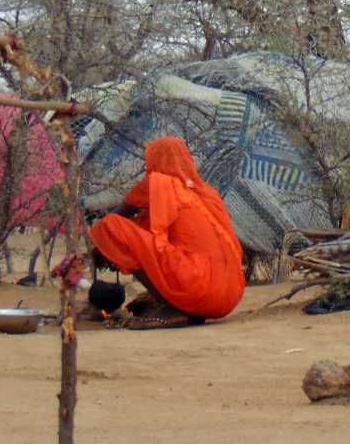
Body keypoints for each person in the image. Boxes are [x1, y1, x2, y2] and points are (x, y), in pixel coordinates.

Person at [88, 137, 244, 328]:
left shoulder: (159, 183)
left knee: (110, 227)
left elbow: (117, 216)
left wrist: (99, 249)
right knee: (145, 223)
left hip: (198, 289)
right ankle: (185, 308)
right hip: (230, 294)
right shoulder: (206, 192)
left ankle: (173, 308)